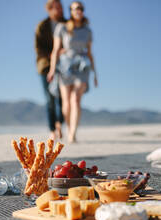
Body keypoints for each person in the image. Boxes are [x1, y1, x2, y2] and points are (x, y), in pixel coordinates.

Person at [47, 1, 98, 143]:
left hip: (82, 66)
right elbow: (56, 50)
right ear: (71, 11)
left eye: (81, 8)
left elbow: (90, 53)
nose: (78, 11)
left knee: (76, 100)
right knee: (66, 102)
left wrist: (95, 74)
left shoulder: (88, 31)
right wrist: (52, 70)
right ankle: (69, 128)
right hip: (65, 66)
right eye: (75, 8)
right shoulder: (62, 28)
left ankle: (72, 134)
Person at [35, 0, 66, 140]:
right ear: (50, 9)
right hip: (45, 67)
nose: (60, 10)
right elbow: (38, 49)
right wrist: (54, 55)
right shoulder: (42, 26)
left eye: (61, 7)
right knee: (50, 99)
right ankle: (52, 129)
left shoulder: (67, 24)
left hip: (65, 67)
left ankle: (60, 124)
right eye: (57, 8)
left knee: (63, 98)